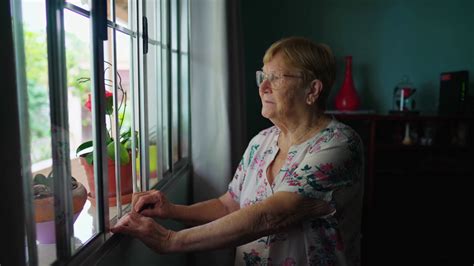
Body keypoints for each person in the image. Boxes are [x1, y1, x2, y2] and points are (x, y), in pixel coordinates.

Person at [111, 36, 364, 266]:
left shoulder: (339, 144)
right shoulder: (261, 142)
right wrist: (173, 210)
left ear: (312, 90)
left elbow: (270, 216)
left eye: (276, 77)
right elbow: (230, 205)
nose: (263, 86)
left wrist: (170, 240)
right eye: (262, 76)